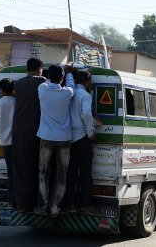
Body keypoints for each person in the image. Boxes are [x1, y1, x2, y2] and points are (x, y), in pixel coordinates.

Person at [35, 65, 75, 216]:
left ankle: (43, 206)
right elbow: (71, 85)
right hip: (64, 138)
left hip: (45, 137)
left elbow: (44, 82)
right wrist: (70, 73)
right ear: (62, 78)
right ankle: (54, 208)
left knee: (43, 172)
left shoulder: (42, 89)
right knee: (61, 174)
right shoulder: (67, 92)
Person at [12, 57, 46, 212]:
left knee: (21, 166)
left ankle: (22, 204)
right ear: (39, 68)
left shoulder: (18, 84)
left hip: (18, 130)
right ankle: (38, 202)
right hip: (35, 130)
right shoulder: (41, 82)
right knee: (38, 167)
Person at [65, 70, 96, 214]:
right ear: (88, 82)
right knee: (85, 173)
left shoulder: (68, 93)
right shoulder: (85, 95)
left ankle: (70, 204)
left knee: (70, 173)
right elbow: (86, 114)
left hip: (68, 138)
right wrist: (91, 132)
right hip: (82, 138)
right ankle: (86, 203)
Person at [0, 78, 16, 207]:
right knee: (19, 171)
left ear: (1, 90)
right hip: (17, 142)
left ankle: (11, 201)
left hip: (5, 142)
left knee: (10, 171)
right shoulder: (16, 102)